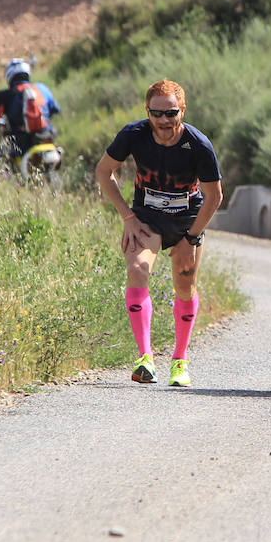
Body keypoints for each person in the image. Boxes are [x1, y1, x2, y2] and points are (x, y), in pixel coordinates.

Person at [95, 79, 223, 387]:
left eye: (171, 113)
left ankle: (179, 361)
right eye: (157, 113)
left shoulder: (198, 144)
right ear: (147, 112)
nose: (164, 121)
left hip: (186, 220)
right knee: (137, 269)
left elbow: (214, 196)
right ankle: (145, 360)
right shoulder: (133, 135)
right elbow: (103, 172)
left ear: (183, 110)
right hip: (147, 218)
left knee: (184, 283)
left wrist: (191, 238)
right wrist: (127, 216)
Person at [0, 58, 61, 159]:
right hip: (46, 136)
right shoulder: (42, 88)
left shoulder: (6, 95)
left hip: (21, 144)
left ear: (9, 76)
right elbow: (55, 109)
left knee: (1, 156)